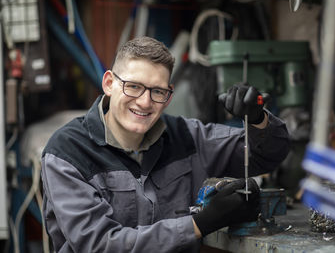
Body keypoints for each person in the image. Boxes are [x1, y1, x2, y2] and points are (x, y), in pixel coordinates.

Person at [41, 36, 290, 252]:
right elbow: (99, 245)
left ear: (169, 95)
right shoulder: (67, 153)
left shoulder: (186, 136)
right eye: (134, 87)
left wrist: (258, 119)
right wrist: (200, 224)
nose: (145, 102)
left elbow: (267, 154)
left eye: (157, 91)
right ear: (109, 84)